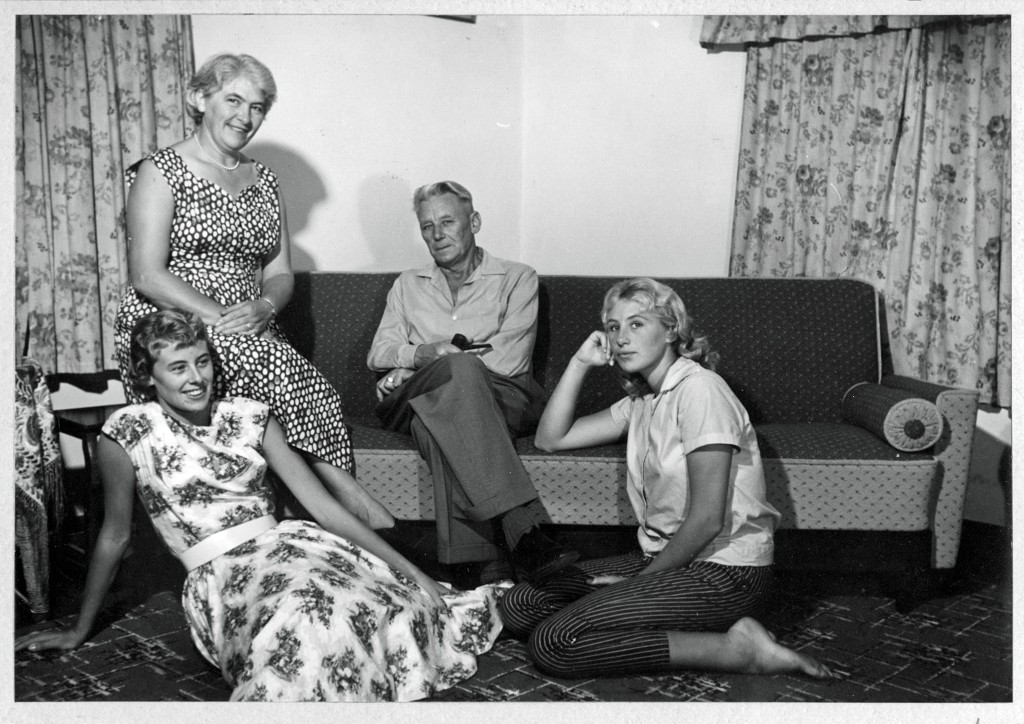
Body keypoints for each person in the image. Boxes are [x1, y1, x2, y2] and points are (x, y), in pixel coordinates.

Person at [16, 309, 507, 702]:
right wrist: (79, 629)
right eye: (178, 367)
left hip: (293, 547)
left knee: (385, 605)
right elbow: (114, 535)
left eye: (203, 361)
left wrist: (412, 572)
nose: (196, 378)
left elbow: (324, 509)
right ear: (149, 377)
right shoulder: (127, 432)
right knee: (301, 618)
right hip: (223, 574)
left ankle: (525, 608)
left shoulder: (249, 416)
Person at [497, 278, 834, 680]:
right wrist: (580, 362)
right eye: (613, 327)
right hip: (664, 556)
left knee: (555, 643)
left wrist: (635, 585)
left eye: (637, 324)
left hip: (724, 571)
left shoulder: (701, 391)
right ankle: (646, 617)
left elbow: (707, 519)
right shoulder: (642, 400)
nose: (621, 338)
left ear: (671, 330)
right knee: (520, 605)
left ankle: (742, 649)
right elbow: (550, 438)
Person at [114, 52, 391, 530]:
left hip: (250, 322)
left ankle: (319, 516)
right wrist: (225, 319)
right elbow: (147, 275)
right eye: (233, 100)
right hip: (172, 320)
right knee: (268, 364)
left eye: (257, 107)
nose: (245, 117)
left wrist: (264, 307)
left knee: (313, 385)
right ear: (198, 99)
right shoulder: (159, 171)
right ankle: (347, 504)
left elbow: (280, 273)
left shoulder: (265, 179)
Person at [368, 180, 578, 583]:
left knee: (436, 413)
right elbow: (379, 352)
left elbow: (509, 361)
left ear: (474, 222)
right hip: (414, 396)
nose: (437, 234)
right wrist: (423, 355)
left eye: (447, 222)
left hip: (502, 396)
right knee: (456, 377)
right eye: (427, 226)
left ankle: (479, 564)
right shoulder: (407, 284)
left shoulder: (516, 278)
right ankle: (522, 530)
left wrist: (422, 365)